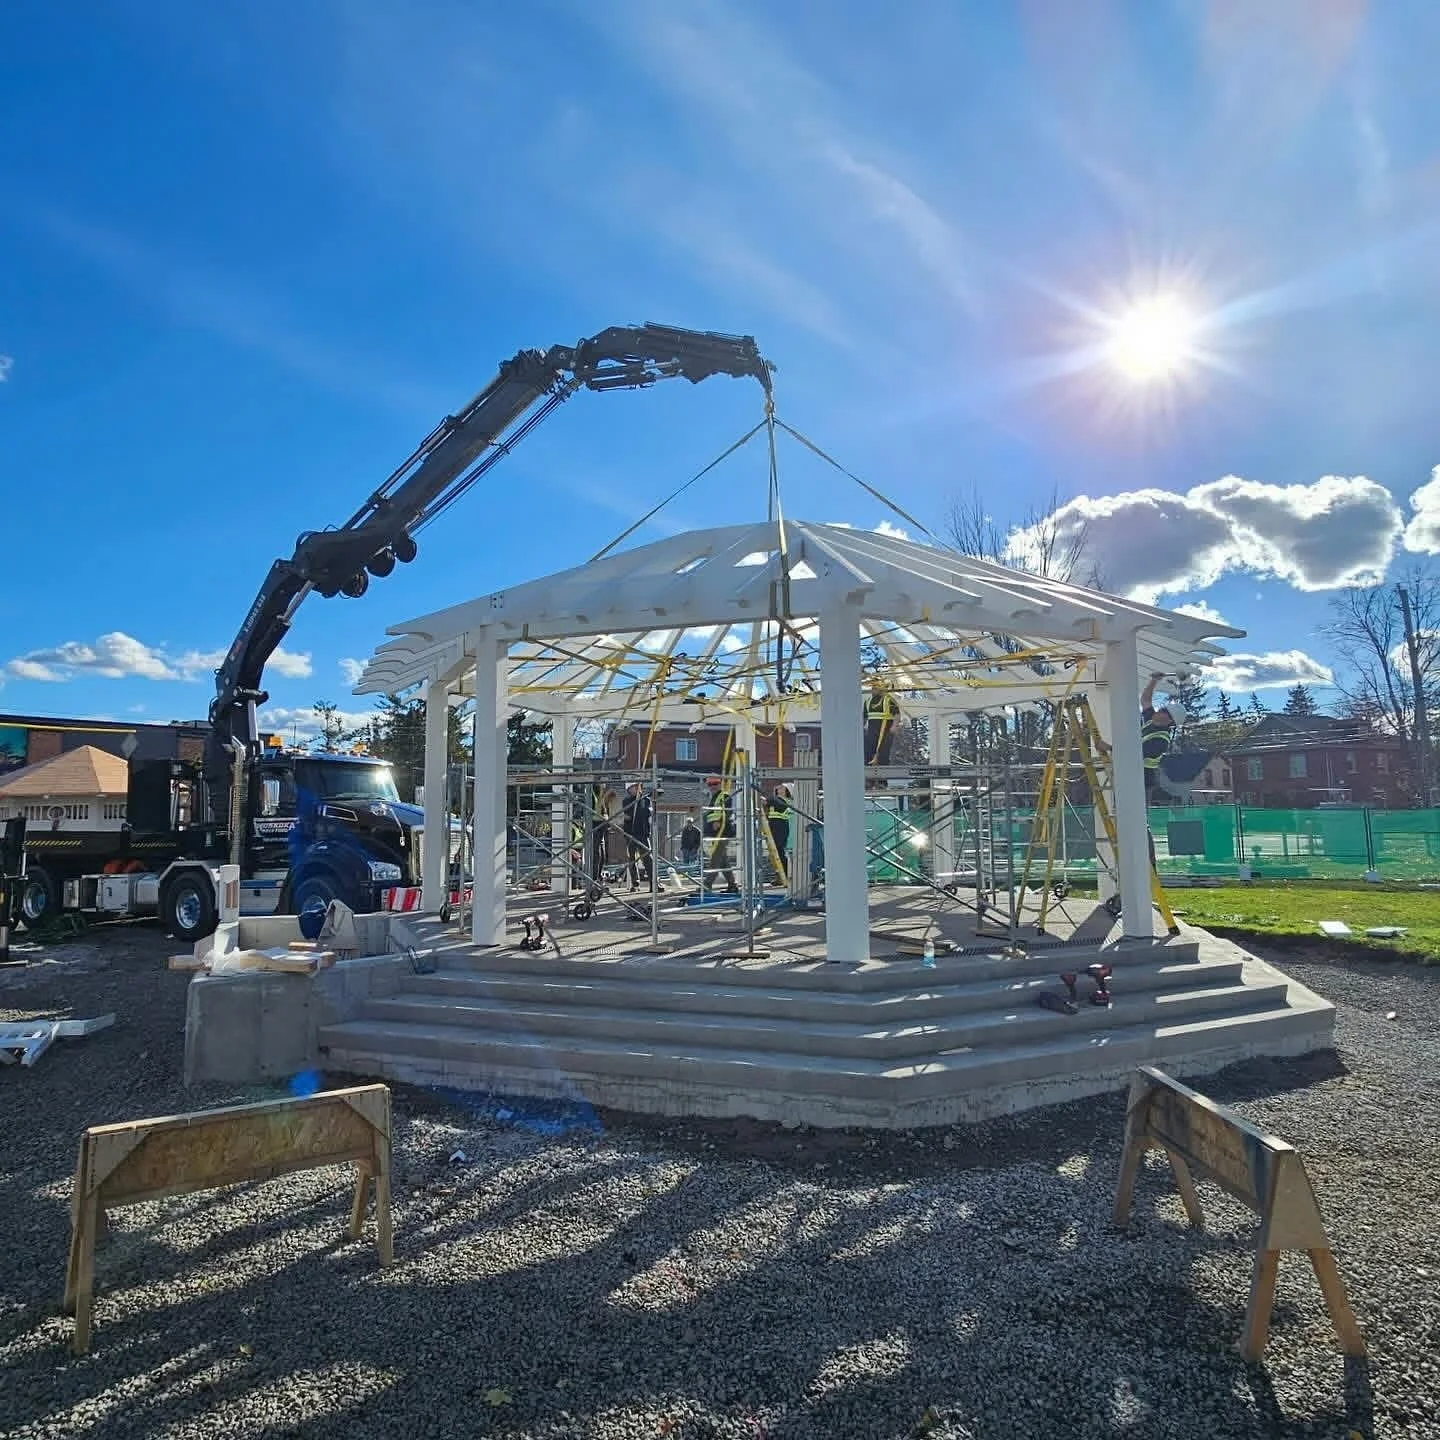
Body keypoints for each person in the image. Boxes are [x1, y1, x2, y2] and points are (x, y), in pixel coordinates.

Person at [1140, 674, 1188, 802]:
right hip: (1134, 776)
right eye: (1162, 708)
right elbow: (1145, 700)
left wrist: (1110, 747)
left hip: (1142, 782)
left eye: (1163, 711)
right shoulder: (1152, 721)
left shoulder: (1161, 740)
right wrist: (1154, 680)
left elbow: (1136, 754)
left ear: (1169, 720)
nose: (1158, 711)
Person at [701, 777, 738, 895]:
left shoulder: (724, 795)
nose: (713, 786)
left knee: (715, 859)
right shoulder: (713, 798)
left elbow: (728, 811)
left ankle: (707, 885)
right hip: (715, 833)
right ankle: (732, 885)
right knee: (722, 861)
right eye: (710, 784)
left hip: (722, 832)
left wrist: (720, 821)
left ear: (720, 784)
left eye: (715, 783)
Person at [622, 781, 652, 891]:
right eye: (632, 788)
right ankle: (635, 884)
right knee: (631, 859)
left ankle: (653, 883)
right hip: (630, 834)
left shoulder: (645, 800)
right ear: (629, 790)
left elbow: (647, 813)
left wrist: (641, 801)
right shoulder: (626, 801)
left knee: (647, 859)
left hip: (642, 834)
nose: (635, 789)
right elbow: (627, 816)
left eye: (636, 787)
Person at [865, 684, 900, 767]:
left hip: (886, 731)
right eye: (873, 688)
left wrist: (894, 726)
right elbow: (864, 717)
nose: (873, 690)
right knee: (869, 752)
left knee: (883, 753)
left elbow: (897, 714)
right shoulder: (868, 701)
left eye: (875, 688)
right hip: (871, 731)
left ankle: (882, 776)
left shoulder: (888, 700)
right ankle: (869, 774)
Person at [766, 784, 791, 882]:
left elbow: (778, 805)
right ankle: (780, 875)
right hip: (773, 826)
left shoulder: (785, 800)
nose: (779, 788)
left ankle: (785, 874)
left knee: (779, 851)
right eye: (778, 787)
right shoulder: (774, 800)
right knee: (774, 853)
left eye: (782, 787)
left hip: (781, 827)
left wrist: (767, 799)